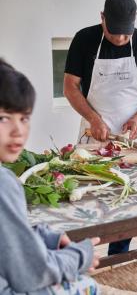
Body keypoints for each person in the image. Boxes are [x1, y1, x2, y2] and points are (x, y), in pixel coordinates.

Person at [64, 0, 137, 255]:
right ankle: (81, 258)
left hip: (132, 142)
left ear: (134, 20)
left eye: (125, 33)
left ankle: (118, 260)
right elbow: (70, 87)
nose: (120, 39)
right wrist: (94, 119)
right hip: (92, 137)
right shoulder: (84, 40)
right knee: (85, 199)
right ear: (102, 18)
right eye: (113, 32)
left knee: (126, 204)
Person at [0, 59, 101, 295]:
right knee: (88, 286)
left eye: (24, 118)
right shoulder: (4, 183)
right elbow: (33, 274)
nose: (19, 131)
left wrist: (43, 237)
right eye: (3, 118)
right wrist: (80, 256)